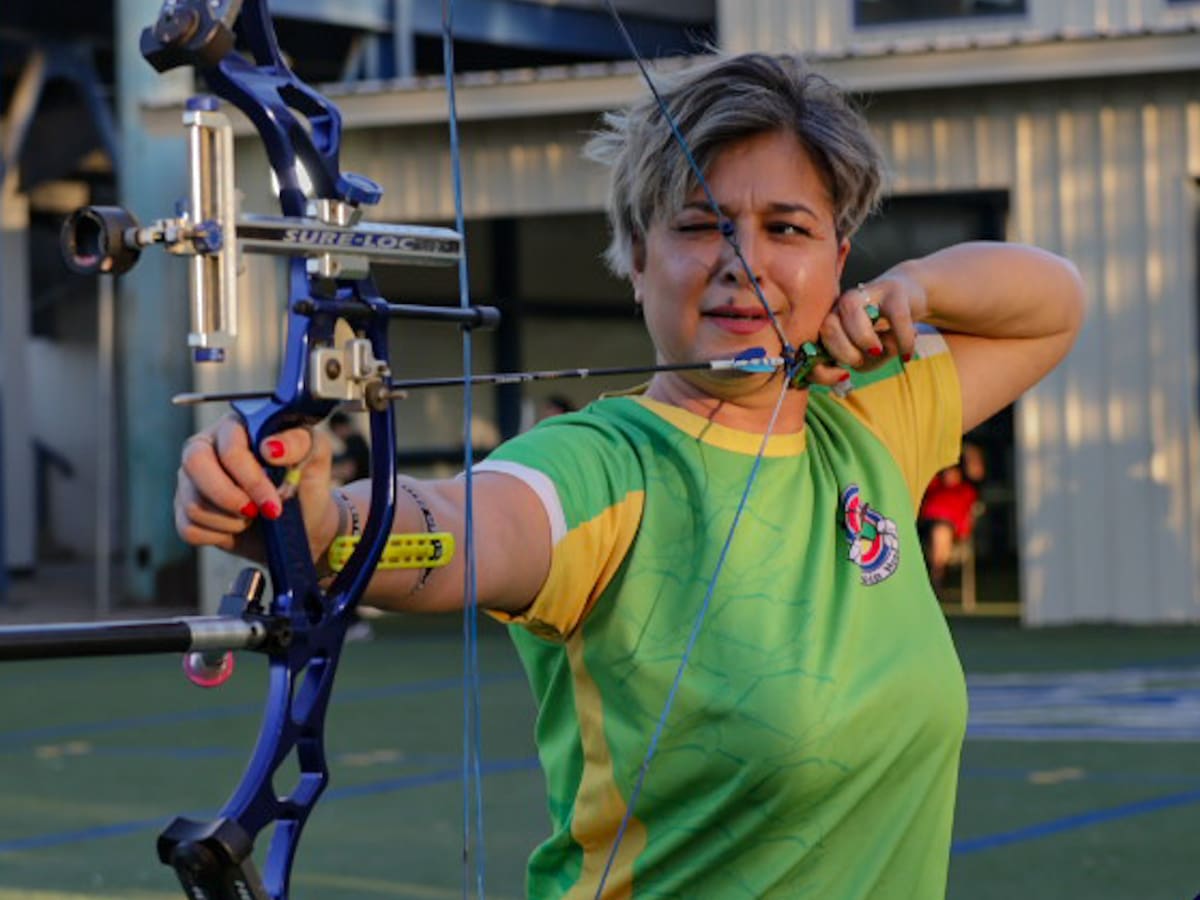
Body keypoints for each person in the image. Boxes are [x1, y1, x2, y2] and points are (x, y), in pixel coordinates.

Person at [174, 52, 1085, 898]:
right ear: (638, 260)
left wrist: (916, 288)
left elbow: (1054, 304)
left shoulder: (869, 423)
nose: (744, 263)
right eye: (700, 226)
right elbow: (460, 525)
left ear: (837, 263)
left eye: (787, 228)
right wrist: (324, 524)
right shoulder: (604, 465)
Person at [919, 441, 986, 591]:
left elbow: (977, 469)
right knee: (939, 532)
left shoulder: (966, 490)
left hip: (950, 528)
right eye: (946, 472)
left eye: (953, 472)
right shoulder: (935, 485)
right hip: (926, 526)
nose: (949, 474)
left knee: (941, 532)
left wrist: (966, 448)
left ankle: (937, 573)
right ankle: (937, 573)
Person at [328, 410, 370, 484]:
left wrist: (324, 473)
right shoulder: (355, 441)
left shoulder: (354, 441)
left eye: (335, 430)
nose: (337, 435)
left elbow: (348, 471)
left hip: (359, 486)